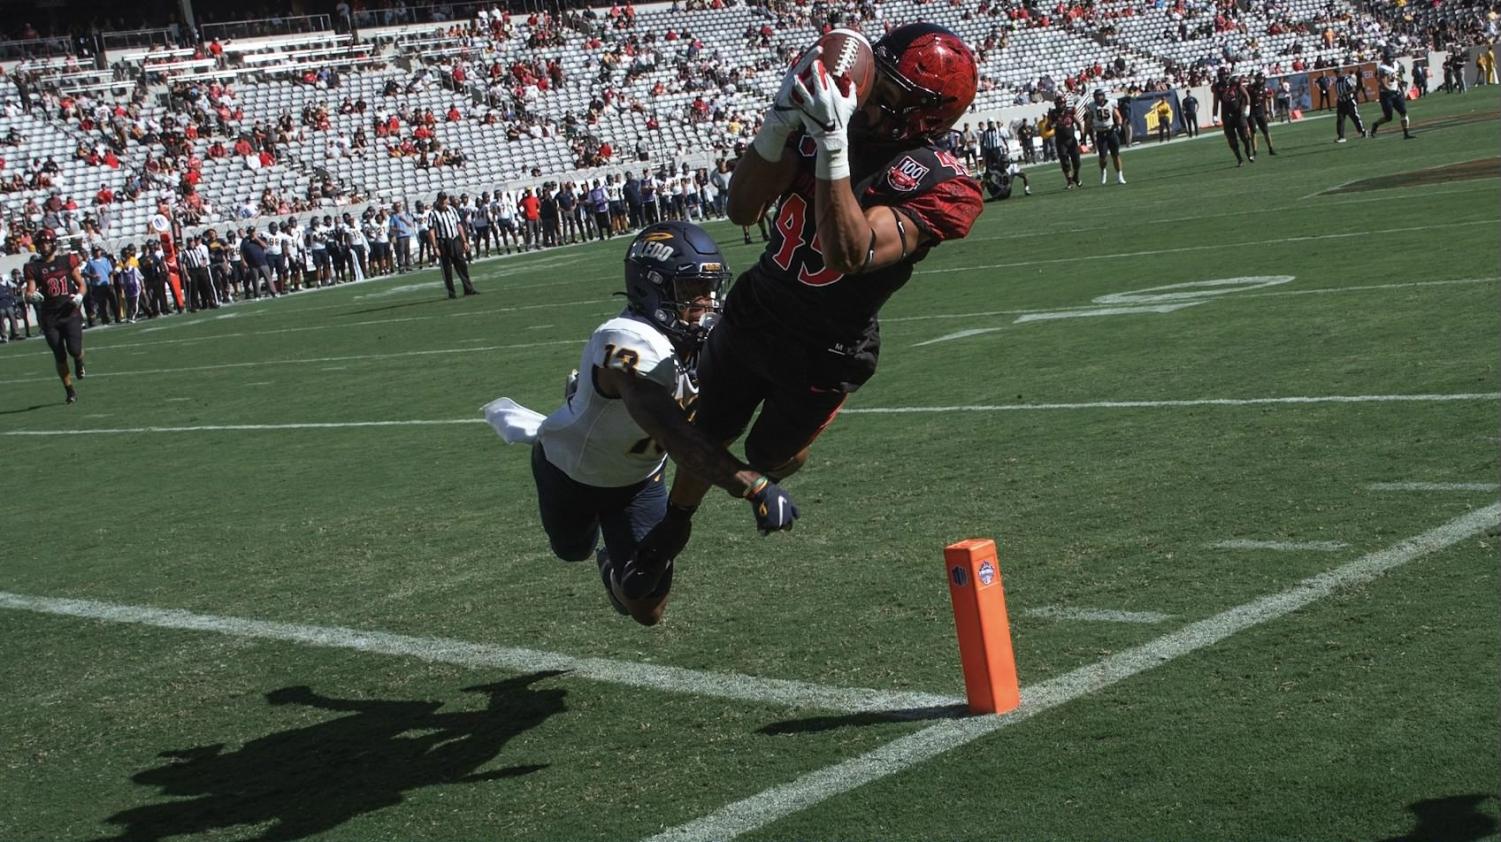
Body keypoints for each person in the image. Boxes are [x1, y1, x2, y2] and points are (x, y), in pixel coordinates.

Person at [620, 23, 983, 602]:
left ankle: (745, 475)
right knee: (707, 429)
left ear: (924, 116)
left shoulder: (943, 182)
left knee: (773, 455)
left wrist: (833, 144)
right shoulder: (826, 121)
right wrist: (777, 125)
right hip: (759, 308)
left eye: (885, 94)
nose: (866, 98)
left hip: (829, 346)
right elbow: (742, 209)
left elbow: (851, 252)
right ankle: (670, 533)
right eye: (874, 82)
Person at [483, 222, 795, 625]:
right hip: (570, 472)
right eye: (691, 292)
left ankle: (611, 562)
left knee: (647, 609)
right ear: (652, 288)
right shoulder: (625, 339)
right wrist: (753, 484)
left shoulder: (704, 339)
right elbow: (673, 432)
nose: (706, 304)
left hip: (639, 481)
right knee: (571, 549)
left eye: (710, 289)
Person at [20, 228, 87, 403]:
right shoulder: (33, 267)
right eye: (41, 243)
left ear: (54, 243)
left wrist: (79, 296)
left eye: (47, 242)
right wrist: (31, 296)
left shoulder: (67, 260)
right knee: (59, 355)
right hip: (50, 318)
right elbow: (29, 291)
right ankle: (69, 390)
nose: (44, 246)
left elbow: (81, 284)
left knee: (74, 350)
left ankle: (79, 362)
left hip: (69, 312)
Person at [427, 191, 478, 298]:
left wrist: (464, 241)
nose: (443, 201)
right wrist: (435, 247)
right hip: (443, 242)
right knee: (447, 268)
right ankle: (451, 292)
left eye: (444, 199)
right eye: (441, 199)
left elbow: (459, 225)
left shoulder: (452, 210)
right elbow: (431, 231)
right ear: (438, 200)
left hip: (455, 240)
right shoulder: (433, 213)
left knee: (462, 265)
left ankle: (468, 289)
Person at [1212, 67, 1254, 165]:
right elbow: (1216, 103)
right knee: (1231, 139)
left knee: (1245, 137)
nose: (1222, 77)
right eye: (1220, 75)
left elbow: (1246, 95)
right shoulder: (1217, 87)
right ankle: (1239, 159)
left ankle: (1248, 153)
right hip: (1226, 115)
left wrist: (1247, 107)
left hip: (1238, 113)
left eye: (1224, 75)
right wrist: (1214, 116)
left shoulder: (1235, 82)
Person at [1370, 56, 1416, 140]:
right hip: (1386, 95)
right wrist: (1390, 91)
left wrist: (1400, 81)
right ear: (1385, 59)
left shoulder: (1394, 65)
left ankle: (1406, 134)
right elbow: (1383, 84)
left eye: (1392, 58)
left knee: (1403, 112)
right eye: (1389, 58)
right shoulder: (1382, 68)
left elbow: (1394, 76)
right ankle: (1376, 124)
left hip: (1395, 93)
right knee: (1388, 117)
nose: (1391, 60)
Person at [1086, 89, 1126, 184]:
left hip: (1111, 131)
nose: (1097, 98)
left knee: (1116, 155)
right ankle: (1103, 171)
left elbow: (1118, 116)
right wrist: (1089, 126)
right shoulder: (1092, 106)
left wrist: (1119, 125)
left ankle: (1120, 176)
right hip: (1100, 133)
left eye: (1099, 96)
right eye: (1096, 96)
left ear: (1103, 96)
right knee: (1103, 157)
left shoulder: (1111, 103)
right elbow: (1089, 119)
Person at [1046, 93, 1083, 188]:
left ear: (1065, 103)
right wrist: (1055, 123)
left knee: (1077, 162)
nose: (1060, 105)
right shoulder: (1053, 114)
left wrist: (1083, 135)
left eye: (1062, 103)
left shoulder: (1069, 112)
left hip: (1072, 140)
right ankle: (1069, 181)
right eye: (1058, 103)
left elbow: (1078, 123)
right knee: (1065, 162)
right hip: (1061, 141)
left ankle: (1076, 177)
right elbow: (1048, 128)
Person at [1247, 72, 1278, 156]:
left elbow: (1265, 102)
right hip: (1251, 111)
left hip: (1260, 111)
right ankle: (1255, 151)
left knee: (1266, 131)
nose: (1261, 80)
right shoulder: (1250, 88)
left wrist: (1267, 112)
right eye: (1259, 79)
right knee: (1253, 131)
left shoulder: (1264, 89)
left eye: (1262, 79)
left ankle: (1271, 148)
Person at [1334, 68, 1367, 142]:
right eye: (1336, 73)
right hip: (1341, 102)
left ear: (1341, 73)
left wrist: (1345, 93)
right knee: (1340, 119)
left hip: (1349, 101)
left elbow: (1353, 89)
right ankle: (1341, 137)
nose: (1336, 74)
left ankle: (1363, 131)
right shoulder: (1336, 82)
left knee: (1355, 117)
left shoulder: (1347, 80)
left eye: (1338, 73)